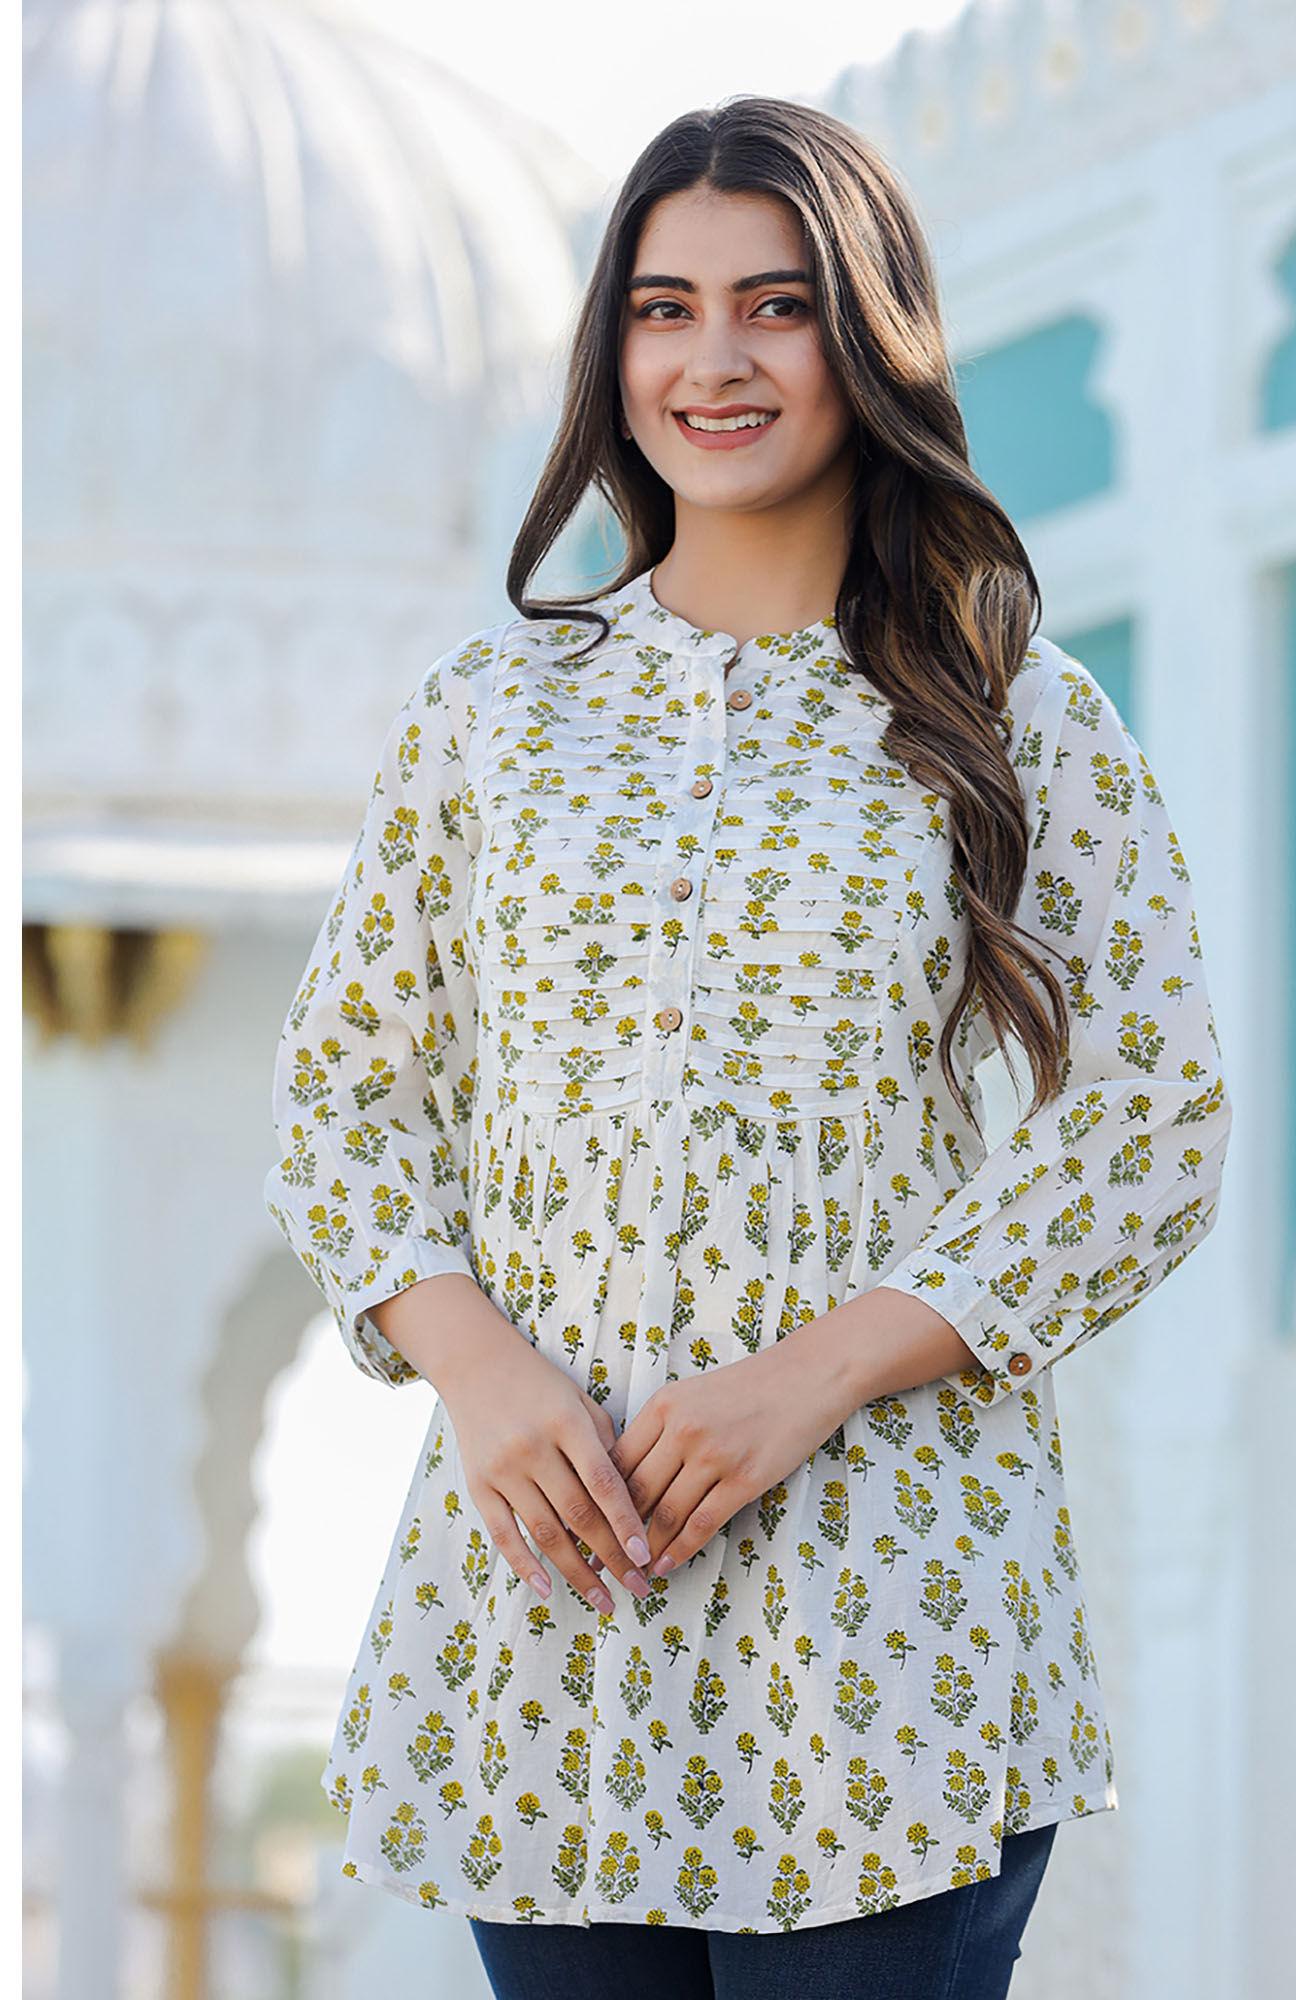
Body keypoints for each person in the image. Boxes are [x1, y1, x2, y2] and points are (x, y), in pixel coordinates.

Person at [264, 93, 1233, 1998]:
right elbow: (341, 1096)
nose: (713, 360)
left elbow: (1154, 1122)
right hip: (555, 1618)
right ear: (609, 347)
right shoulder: (497, 717)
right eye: (663, 306)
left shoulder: (1010, 706)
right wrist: (480, 1376)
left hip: (883, 1614)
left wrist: (815, 1376)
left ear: (865, 340)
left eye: (776, 306)